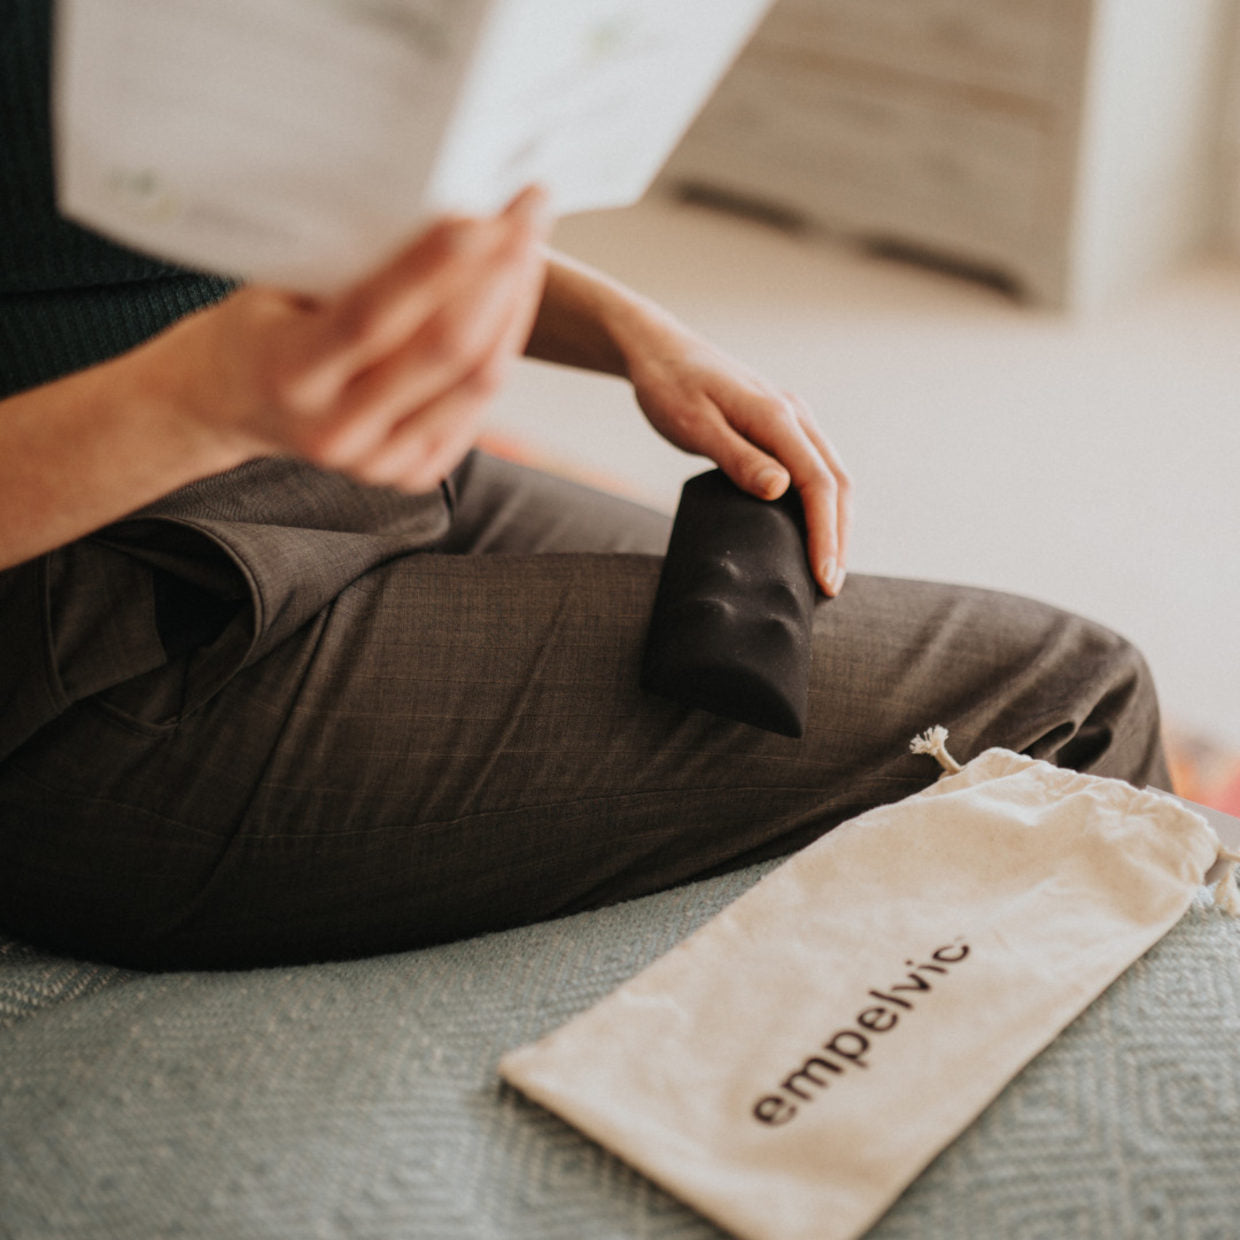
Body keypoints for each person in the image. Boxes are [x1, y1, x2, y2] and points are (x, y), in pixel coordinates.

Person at [0, 1, 1170, 970]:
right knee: (1072, 695)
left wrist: (625, 327)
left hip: (334, 470)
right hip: (110, 630)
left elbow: (222, 208)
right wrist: (194, 399)